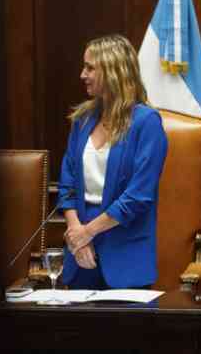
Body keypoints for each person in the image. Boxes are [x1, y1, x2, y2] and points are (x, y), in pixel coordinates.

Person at [56, 34, 168, 289]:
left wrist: (88, 232)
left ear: (114, 71)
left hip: (125, 261)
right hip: (80, 255)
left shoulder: (146, 123)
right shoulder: (82, 120)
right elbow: (68, 184)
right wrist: (77, 235)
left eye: (90, 67)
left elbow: (138, 197)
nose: (82, 75)